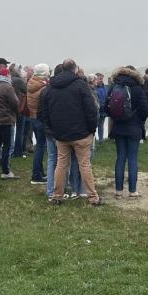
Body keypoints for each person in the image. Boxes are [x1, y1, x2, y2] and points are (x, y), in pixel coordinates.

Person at [39, 60, 103, 206]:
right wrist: (92, 130)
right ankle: (93, 197)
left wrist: (53, 129)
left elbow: (44, 112)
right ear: (75, 70)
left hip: (61, 135)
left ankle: (57, 195)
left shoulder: (51, 87)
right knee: (84, 165)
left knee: (61, 164)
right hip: (81, 134)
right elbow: (91, 110)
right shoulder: (81, 85)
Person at [106, 66, 148, 199]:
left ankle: (118, 191)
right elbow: (145, 110)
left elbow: (106, 107)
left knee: (120, 157)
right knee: (132, 158)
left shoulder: (114, 87)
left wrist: (116, 118)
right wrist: (139, 120)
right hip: (134, 128)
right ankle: (132, 191)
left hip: (118, 128)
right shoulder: (138, 88)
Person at [0, 59, 22, 180]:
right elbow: (15, 103)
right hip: (7, 120)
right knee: (7, 146)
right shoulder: (8, 87)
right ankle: (6, 171)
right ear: (6, 75)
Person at [25, 64, 52, 186]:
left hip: (32, 117)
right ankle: (36, 175)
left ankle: (40, 172)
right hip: (40, 118)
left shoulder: (31, 83)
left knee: (40, 146)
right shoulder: (42, 87)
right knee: (41, 147)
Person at [93, 73, 110, 144]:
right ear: (95, 79)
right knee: (94, 126)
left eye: (102, 79)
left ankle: (101, 140)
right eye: (100, 79)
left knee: (101, 125)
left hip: (103, 109)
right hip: (96, 110)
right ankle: (94, 140)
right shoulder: (93, 88)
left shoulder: (105, 87)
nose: (101, 80)